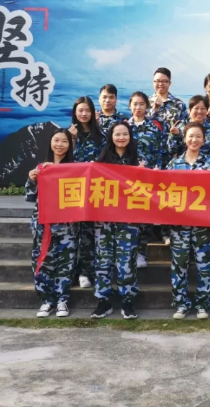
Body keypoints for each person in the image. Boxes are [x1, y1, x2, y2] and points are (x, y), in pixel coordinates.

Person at [165, 122, 210, 319]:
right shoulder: (173, 164)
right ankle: (181, 303)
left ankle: (202, 304)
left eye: (198, 136)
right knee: (179, 264)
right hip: (179, 225)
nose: (194, 140)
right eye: (190, 136)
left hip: (204, 225)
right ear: (184, 138)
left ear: (204, 140)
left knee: (205, 266)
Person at [91, 121, 141, 319]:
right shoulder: (101, 160)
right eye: (117, 134)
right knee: (103, 260)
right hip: (104, 220)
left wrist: (146, 172)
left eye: (125, 134)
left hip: (129, 220)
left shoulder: (138, 160)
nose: (121, 138)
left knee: (126, 260)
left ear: (130, 137)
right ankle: (103, 301)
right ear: (111, 137)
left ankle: (128, 301)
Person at [26, 128, 77, 317]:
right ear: (50, 142)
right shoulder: (41, 168)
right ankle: (46, 301)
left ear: (70, 145)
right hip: (43, 224)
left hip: (67, 226)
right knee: (42, 262)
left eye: (64, 141)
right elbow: (30, 196)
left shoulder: (75, 169)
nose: (60, 145)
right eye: (56, 140)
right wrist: (32, 179)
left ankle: (62, 300)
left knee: (66, 263)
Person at [69, 96, 104, 289]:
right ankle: (74, 272)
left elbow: (107, 161)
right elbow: (63, 159)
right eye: (80, 110)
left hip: (95, 190)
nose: (84, 114)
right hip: (74, 189)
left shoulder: (101, 135)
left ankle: (89, 272)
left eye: (87, 110)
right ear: (75, 112)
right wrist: (72, 139)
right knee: (75, 232)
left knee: (91, 233)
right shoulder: (68, 134)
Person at [127, 91, 164, 268]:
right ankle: (128, 252)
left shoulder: (154, 128)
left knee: (145, 216)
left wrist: (157, 169)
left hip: (149, 178)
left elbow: (160, 151)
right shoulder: (124, 127)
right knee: (129, 216)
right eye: (135, 104)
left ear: (147, 107)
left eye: (141, 104)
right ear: (130, 106)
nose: (138, 107)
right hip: (127, 179)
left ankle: (141, 252)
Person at [165, 95, 210, 164]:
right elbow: (171, 151)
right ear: (190, 110)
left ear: (207, 110)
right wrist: (175, 136)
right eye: (196, 108)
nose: (199, 111)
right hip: (184, 166)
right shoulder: (179, 127)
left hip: (207, 167)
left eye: (203, 108)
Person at [149, 67, 188, 133]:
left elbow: (186, 127)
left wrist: (178, 131)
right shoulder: (145, 103)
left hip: (172, 139)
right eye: (157, 81)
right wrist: (154, 109)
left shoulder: (179, 104)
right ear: (153, 83)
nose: (160, 84)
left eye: (164, 81)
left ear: (169, 83)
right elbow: (142, 123)